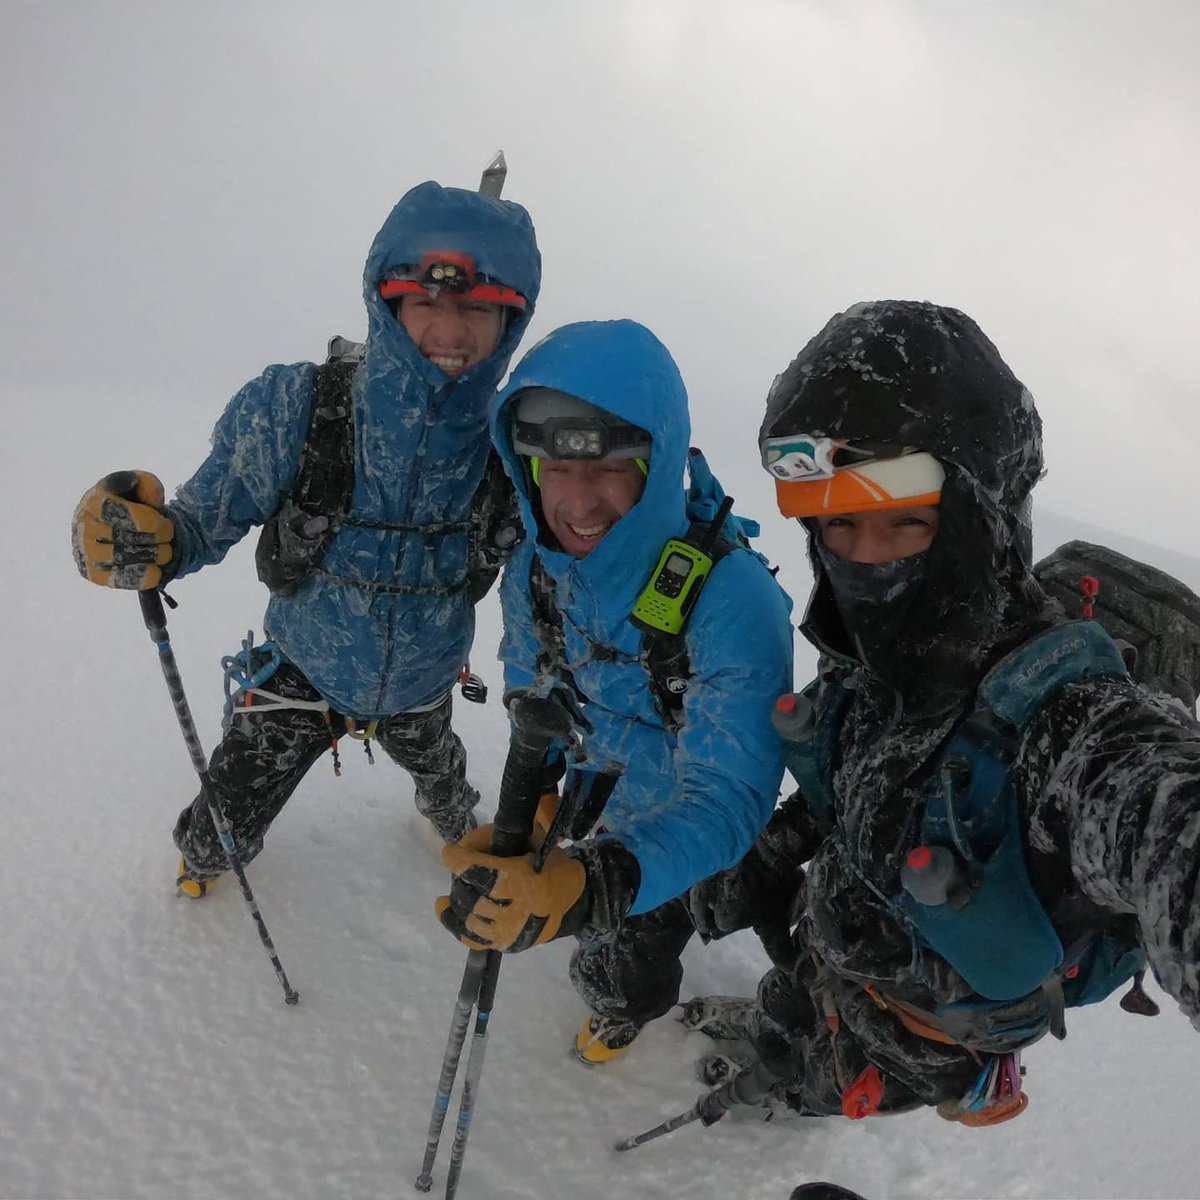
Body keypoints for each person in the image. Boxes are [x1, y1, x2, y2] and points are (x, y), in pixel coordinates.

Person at [683, 299, 1200, 1127]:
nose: (864, 560)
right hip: (835, 948)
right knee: (789, 1009)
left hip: (926, 1037)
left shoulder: (1061, 721)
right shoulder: (868, 664)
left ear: (977, 522)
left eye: (906, 525)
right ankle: (775, 1043)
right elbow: (857, 792)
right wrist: (771, 855)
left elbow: (1162, 813)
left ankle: (789, 1094)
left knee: (824, 1081)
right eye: (839, 526)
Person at [71, 180, 541, 894]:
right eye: (427, 302)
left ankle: (447, 821)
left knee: (449, 793)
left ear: (512, 321)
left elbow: (551, 587)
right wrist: (145, 542)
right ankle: (203, 867)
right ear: (387, 303)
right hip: (301, 671)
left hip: (423, 683)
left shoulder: (515, 448)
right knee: (215, 832)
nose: (450, 329)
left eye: (479, 307)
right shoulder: (298, 409)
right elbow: (197, 524)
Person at [435, 318, 794, 1061]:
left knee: (667, 942)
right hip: (599, 801)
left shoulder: (732, 599)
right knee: (609, 956)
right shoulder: (535, 571)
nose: (578, 502)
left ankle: (643, 1006)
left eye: (608, 468)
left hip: (696, 820)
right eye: (555, 470)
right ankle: (622, 995)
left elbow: (727, 798)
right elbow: (534, 697)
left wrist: (589, 886)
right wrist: (534, 810)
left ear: (655, 466)